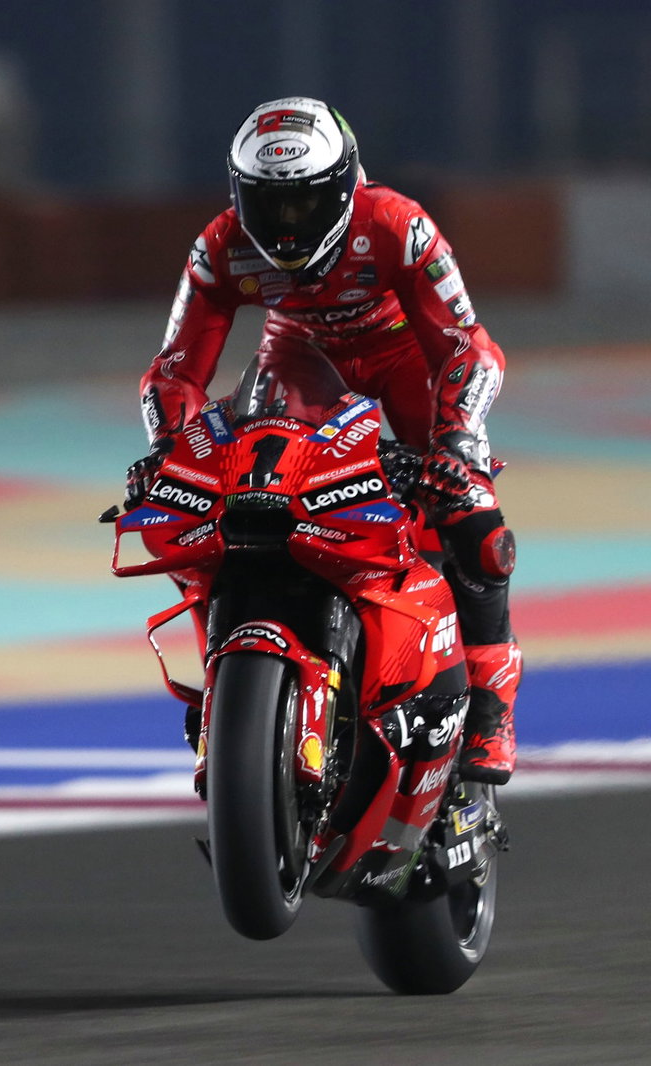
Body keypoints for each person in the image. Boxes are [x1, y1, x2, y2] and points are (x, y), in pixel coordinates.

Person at [128, 97, 521, 784]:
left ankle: (491, 710)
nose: (285, 226)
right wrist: (168, 450)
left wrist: (457, 445)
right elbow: (175, 370)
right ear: (238, 194)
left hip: (406, 367)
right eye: (268, 203)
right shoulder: (220, 245)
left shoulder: (399, 225)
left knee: (473, 524)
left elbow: (470, 348)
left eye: (304, 204)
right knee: (229, 506)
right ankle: (234, 683)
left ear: (343, 187)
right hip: (300, 364)